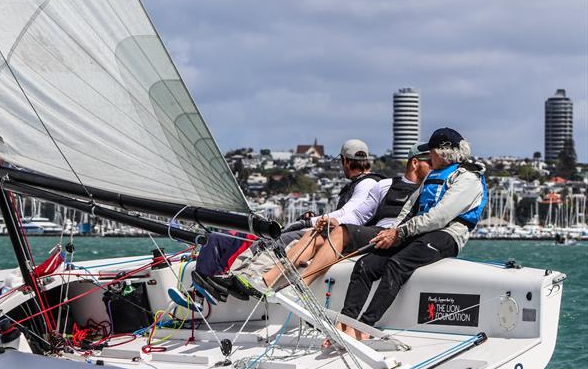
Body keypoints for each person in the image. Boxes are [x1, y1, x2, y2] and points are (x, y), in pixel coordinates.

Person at [191, 139, 382, 302]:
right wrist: (312, 220)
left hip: (337, 238)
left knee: (276, 242)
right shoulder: (366, 183)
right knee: (269, 240)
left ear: (346, 161)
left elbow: (349, 214)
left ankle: (246, 278)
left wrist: (310, 222)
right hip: (334, 233)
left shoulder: (367, 184)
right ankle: (236, 276)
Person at [339, 127, 488, 331]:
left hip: (446, 235)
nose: (429, 156)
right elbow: (410, 208)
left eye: (431, 152)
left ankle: (364, 326)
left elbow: (440, 217)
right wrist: (392, 232)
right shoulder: (433, 175)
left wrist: (400, 233)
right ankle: (345, 322)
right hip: (417, 232)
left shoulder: (468, 178)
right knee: (366, 264)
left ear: (443, 152)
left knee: (396, 264)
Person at [262, 144, 431, 289]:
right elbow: (358, 216)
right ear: (415, 163)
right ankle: (268, 280)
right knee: (316, 234)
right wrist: (333, 222)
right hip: (377, 232)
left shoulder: (432, 190)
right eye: (429, 162)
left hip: (400, 236)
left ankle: (301, 286)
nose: (434, 167)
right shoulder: (385, 185)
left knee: (340, 232)